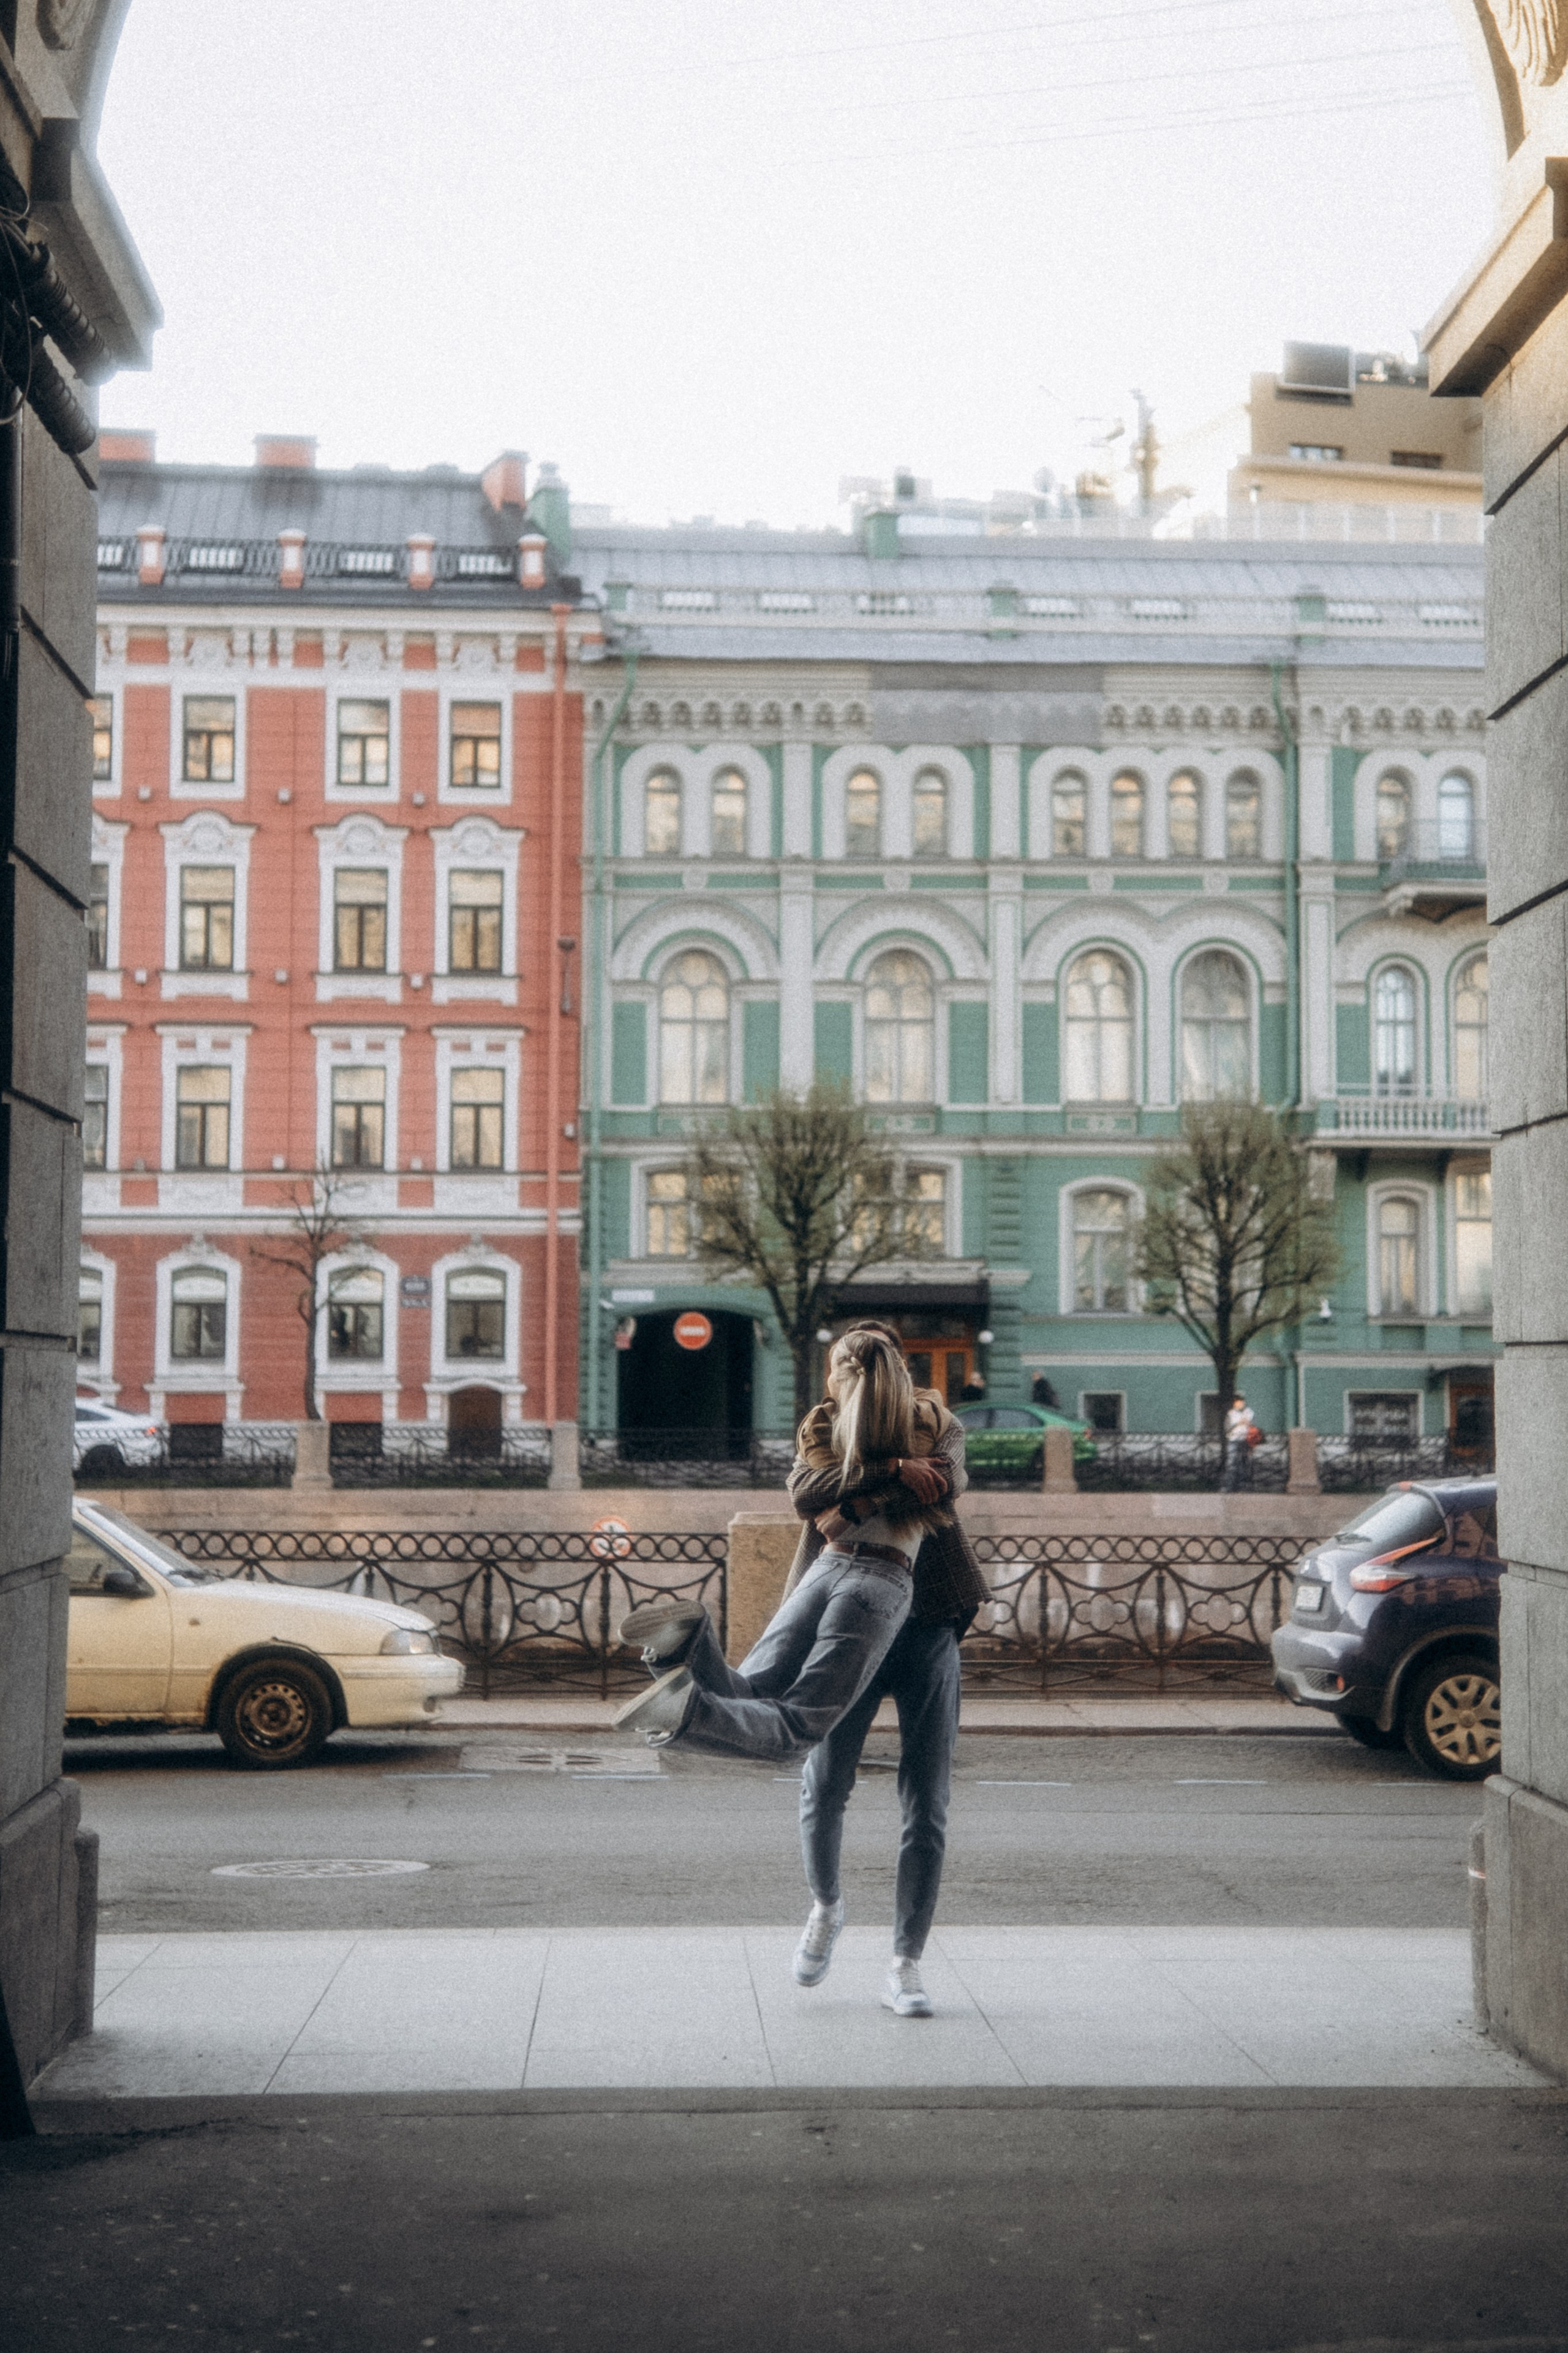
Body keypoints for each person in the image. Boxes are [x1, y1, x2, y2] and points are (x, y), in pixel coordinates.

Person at [613, 1324, 986, 2017]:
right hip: (860, 1595)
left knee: (925, 1804)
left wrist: (856, 1500)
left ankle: (905, 1962)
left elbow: (937, 1486)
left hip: (927, 1622)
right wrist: (886, 1480)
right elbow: (809, 1498)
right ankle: (826, 1906)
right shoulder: (822, 1421)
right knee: (822, 1781)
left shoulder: (939, 1421)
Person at [1221, 1394, 1257, 1492]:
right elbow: (1227, 1429)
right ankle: (1229, 1486)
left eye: (1242, 1402)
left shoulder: (1249, 1413)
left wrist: (1249, 1424)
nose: (1240, 1404)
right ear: (1235, 1404)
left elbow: (1254, 1428)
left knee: (1245, 1463)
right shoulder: (1231, 1414)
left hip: (1246, 1440)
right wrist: (1238, 1424)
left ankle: (1244, 1486)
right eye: (1238, 1402)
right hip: (1233, 1440)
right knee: (1232, 1463)